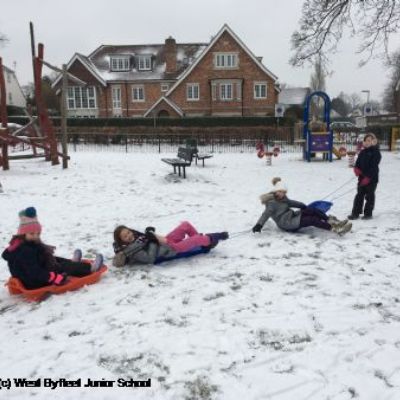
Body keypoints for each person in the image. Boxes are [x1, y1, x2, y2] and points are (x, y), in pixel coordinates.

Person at [2, 207, 104, 290]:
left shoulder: (19, 244)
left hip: (30, 277)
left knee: (52, 258)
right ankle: (90, 268)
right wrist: (54, 277)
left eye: (38, 233)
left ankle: (73, 262)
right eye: (32, 233)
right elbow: (35, 272)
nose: (36, 236)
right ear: (23, 233)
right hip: (35, 281)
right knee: (62, 267)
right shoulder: (26, 251)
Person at [252, 178, 352, 235]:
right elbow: (265, 215)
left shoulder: (283, 199)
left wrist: (303, 206)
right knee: (311, 219)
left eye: (283, 192)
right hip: (286, 224)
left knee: (312, 210)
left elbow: (293, 203)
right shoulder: (271, 203)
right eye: (280, 191)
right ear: (275, 191)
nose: (282, 193)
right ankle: (335, 230)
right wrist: (259, 225)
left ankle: (333, 222)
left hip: (292, 216)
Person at [113, 221, 228, 267]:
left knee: (185, 225)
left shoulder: (137, 236)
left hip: (165, 242)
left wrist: (150, 234)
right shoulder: (131, 251)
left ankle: (203, 243)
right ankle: (210, 239)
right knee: (195, 239)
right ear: (122, 241)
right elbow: (149, 258)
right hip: (170, 249)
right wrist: (152, 240)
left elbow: (149, 239)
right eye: (125, 236)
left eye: (128, 232)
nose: (129, 235)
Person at [348, 133, 382, 220]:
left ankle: (368, 214)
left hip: (372, 179)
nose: (367, 142)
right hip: (362, 178)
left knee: (369, 196)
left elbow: (373, 166)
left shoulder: (376, 153)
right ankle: (355, 213)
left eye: (369, 141)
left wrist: (368, 177)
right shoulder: (362, 152)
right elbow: (358, 162)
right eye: (366, 140)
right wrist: (356, 168)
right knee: (359, 195)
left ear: (373, 142)